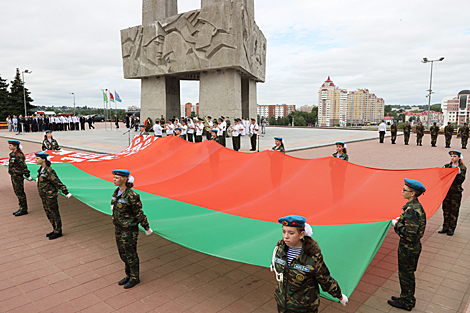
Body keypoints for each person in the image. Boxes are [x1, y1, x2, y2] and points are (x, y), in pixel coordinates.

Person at [271, 215, 348, 312]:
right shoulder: (280, 249)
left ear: (301, 234)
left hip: (304, 308)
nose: (286, 236)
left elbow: (325, 279)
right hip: (283, 305)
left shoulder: (311, 256)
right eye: (284, 231)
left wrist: (340, 296)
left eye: (291, 233)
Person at [388, 178, 426, 310]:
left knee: (406, 275)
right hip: (411, 247)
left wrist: (396, 224)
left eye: (405, 190)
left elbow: (409, 234)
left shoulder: (411, 210)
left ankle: (407, 302)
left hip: (408, 248)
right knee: (407, 274)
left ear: (412, 193)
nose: (402, 191)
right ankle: (406, 297)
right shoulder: (414, 206)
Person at [111, 169, 153, 289]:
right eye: (114, 177)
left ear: (124, 179)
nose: (114, 179)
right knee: (123, 254)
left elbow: (138, 213)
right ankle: (128, 275)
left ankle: (135, 278)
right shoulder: (116, 192)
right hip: (118, 228)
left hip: (129, 230)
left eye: (117, 178)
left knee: (130, 254)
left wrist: (146, 227)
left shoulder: (132, 195)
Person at [35, 152, 72, 240]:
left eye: (37, 158)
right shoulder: (41, 169)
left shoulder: (49, 171)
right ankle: (54, 228)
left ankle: (58, 231)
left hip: (50, 196)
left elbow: (57, 182)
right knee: (48, 213)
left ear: (43, 159)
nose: (36, 160)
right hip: (44, 196)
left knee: (54, 213)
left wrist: (65, 191)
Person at [439, 150, 466, 236]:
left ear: (458, 157)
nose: (452, 158)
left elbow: (460, 181)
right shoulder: (446, 166)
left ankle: (451, 228)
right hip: (447, 191)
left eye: (454, 156)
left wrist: (458, 174)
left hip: (456, 192)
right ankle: (445, 227)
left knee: (454, 210)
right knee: (446, 209)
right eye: (451, 156)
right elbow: (442, 178)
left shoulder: (462, 168)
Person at [8, 140, 32, 216]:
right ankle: (21, 207)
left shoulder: (18, 155)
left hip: (18, 176)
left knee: (20, 192)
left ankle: (24, 209)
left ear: (15, 146)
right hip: (14, 176)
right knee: (17, 192)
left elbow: (23, 166)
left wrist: (27, 175)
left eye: (11, 145)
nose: (9, 146)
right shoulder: (12, 154)